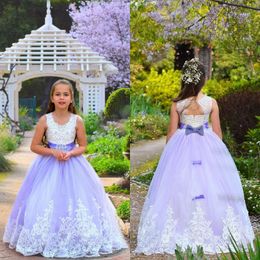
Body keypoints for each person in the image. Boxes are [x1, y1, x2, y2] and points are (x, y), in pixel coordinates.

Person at [135, 58, 255, 255]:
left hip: (181, 145)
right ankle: (214, 227)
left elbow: (171, 134)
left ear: (185, 79)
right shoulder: (211, 102)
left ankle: (180, 225)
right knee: (211, 185)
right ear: (203, 80)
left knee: (180, 186)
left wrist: (169, 157)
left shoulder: (177, 104)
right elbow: (218, 133)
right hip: (207, 143)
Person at [3, 79, 127, 258]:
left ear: (71, 99)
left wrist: (72, 153)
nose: (62, 97)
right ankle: (46, 237)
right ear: (52, 98)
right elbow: (35, 146)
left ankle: (76, 236)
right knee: (46, 199)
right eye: (58, 94)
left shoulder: (77, 120)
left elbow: (83, 146)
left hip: (73, 164)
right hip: (48, 165)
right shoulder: (45, 120)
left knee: (76, 200)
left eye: (66, 94)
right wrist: (52, 151)